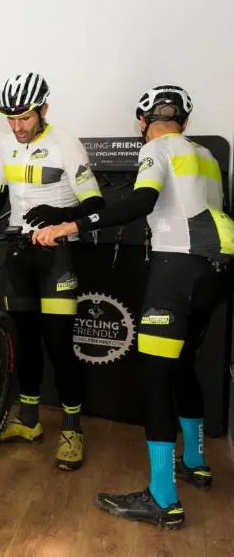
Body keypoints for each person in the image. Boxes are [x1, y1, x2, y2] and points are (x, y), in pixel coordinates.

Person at [34, 85, 233, 529]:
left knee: (154, 378)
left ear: (142, 122)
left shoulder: (156, 149)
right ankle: (195, 462)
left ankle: (163, 499)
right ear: (185, 120)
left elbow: (141, 202)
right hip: (216, 272)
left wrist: (71, 225)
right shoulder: (205, 155)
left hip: (177, 270)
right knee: (183, 365)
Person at [0, 73, 104, 471]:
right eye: (10, 118)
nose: (17, 126)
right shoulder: (6, 145)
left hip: (56, 255)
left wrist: (59, 214)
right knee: (25, 341)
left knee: (59, 344)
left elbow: (94, 202)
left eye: (25, 117)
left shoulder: (66, 144)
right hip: (18, 253)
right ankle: (29, 420)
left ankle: (72, 428)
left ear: (44, 109)